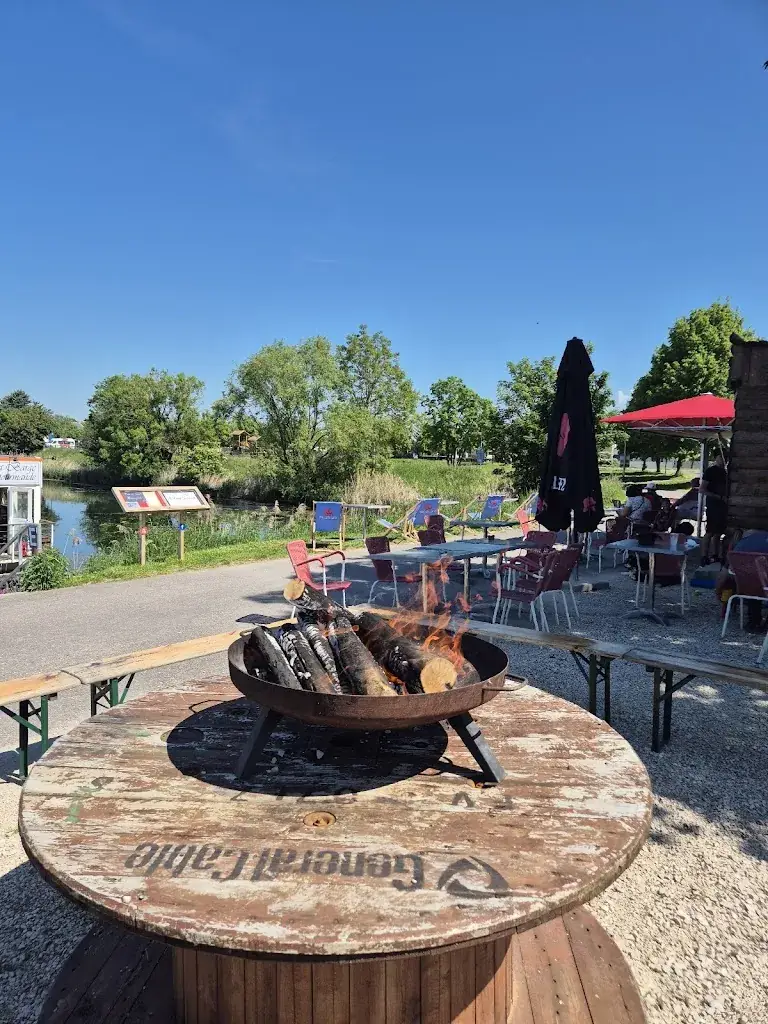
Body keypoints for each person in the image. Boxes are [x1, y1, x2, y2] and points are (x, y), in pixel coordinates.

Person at [714, 530, 768, 632]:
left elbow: (723, 576)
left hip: (746, 589)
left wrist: (718, 592)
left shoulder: (740, 547)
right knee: (760, 583)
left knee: (753, 583)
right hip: (766, 587)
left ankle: (753, 622)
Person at [700, 452, 728, 564]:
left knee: (718, 532)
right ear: (716, 458)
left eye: (725, 457)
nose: (723, 460)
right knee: (710, 531)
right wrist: (718, 497)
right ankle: (703, 556)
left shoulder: (727, 472)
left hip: (724, 505)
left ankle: (715, 554)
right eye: (721, 457)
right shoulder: (710, 471)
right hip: (713, 505)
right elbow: (702, 489)